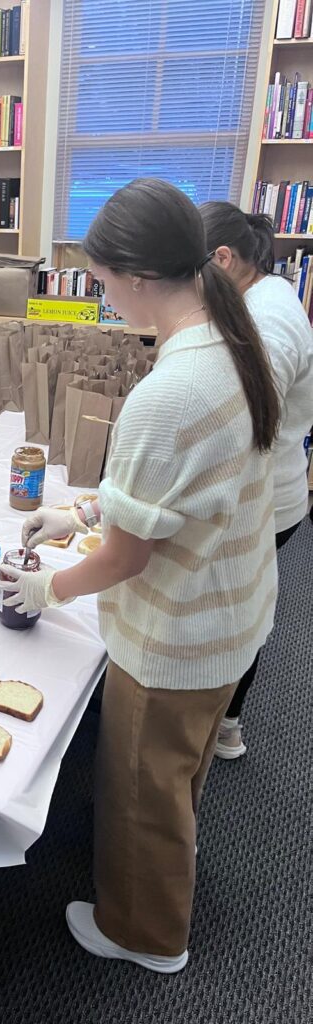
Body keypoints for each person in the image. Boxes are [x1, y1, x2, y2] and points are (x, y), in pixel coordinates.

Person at [0, 179, 280, 973]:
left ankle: (146, 935)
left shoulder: (171, 388)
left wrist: (48, 588)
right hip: (231, 610)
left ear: (137, 277)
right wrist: (86, 513)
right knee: (174, 776)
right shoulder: (233, 335)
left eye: (101, 281)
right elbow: (184, 494)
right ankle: (154, 900)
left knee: (139, 791)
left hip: (177, 638)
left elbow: (130, 557)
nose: (100, 294)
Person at [199, 201, 313, 759]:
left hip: (265, 498)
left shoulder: (265, 322)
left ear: (223, 258)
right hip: (275, 489)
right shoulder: (266, 293)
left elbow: (243, 427)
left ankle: (220, 724)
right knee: (243, 604)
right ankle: (227, 720)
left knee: (233, 612)